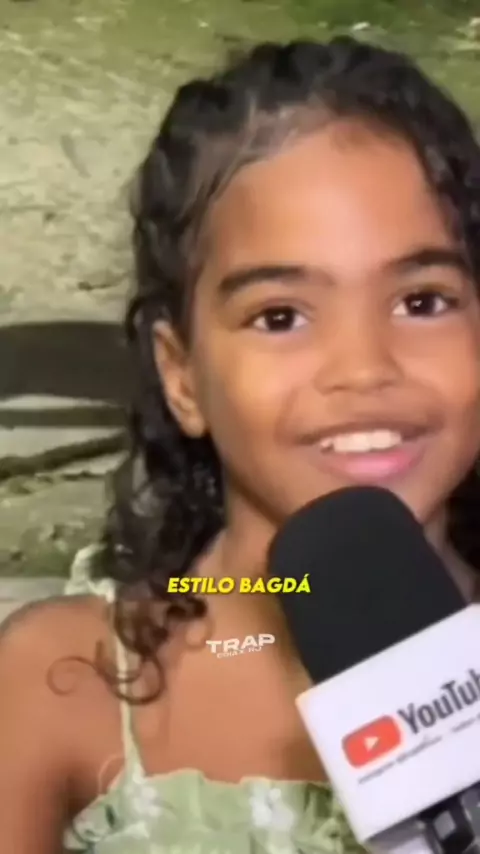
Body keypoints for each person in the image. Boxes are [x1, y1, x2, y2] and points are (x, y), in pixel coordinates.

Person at [1, 35, 480, 854]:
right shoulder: (56, 686)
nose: (364, 369)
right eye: (280, 316)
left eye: (423, 301)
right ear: (181, 375)